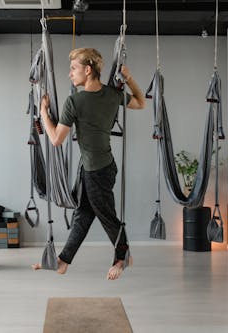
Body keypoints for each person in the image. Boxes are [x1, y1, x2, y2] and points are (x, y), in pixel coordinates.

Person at [32, 48, 145, 280]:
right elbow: (141, 103)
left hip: (95, 171)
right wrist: (129, 78)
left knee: (105, 215)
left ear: (87, 69)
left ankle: (122, 256)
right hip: (97, 167)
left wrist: (43, 111)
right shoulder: (113, 95)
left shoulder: (75, 101)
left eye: (73, 68)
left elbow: (55, 139)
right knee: (83, 214)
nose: (69, 74)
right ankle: (64, 260)